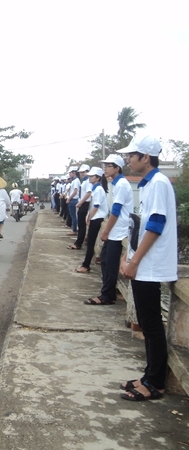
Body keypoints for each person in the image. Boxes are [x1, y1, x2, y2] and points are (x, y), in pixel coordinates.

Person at [117, 134, 177, 401]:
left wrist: (134, 261)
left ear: (146, 157)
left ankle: (155, 383)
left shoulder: (158, 183)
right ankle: (149, 374)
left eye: (132, 155)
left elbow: (155, 225)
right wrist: (129, 256)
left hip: (150, 265)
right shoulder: (149, 182)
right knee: (146, 321)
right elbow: (139, 225)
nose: (127, 160)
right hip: (144, 263)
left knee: (151, 324)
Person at [85, 155, 133, 304]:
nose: (105, 169)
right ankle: (108, 293)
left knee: (110, 262)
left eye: (108, 166)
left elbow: (116, 211)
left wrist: (106, 231)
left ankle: (106, 296)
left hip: (120, 230)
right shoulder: (117, 184)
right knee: (105, 259)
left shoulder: (121, 185)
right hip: (116, 230)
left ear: (117, 168)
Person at [74, 167, 107, 273]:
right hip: (96, 217)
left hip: (97, 218)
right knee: (90, 242)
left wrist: (89, 218)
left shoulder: (98, 190)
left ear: (97, 178)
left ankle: (86, 265)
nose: (89, 178)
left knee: (90, 243)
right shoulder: (96, 188)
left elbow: (96, 206)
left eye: (92, 176)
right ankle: (86, 264)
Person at [69, 165, 90, 250]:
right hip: (82, 203)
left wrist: (80, 202)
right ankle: (79, 242)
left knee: (81, 225)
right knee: (81, 224)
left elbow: (88, 193)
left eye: (84, 172)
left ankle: (78, 243)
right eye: (81, 172)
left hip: (84, 203)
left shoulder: (88, 181)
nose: (82, 174)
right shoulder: (84, 181)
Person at [66, 167, 81, 235]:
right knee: (73, 216)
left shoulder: (76, 181)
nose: (69, 174)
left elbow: (75, 191)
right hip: (73, 199)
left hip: (73, 199)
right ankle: (74, 229)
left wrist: (69, 199)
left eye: (70, 173)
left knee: (73, 216)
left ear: (74, 173)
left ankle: (74, 230)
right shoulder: (75, 181)